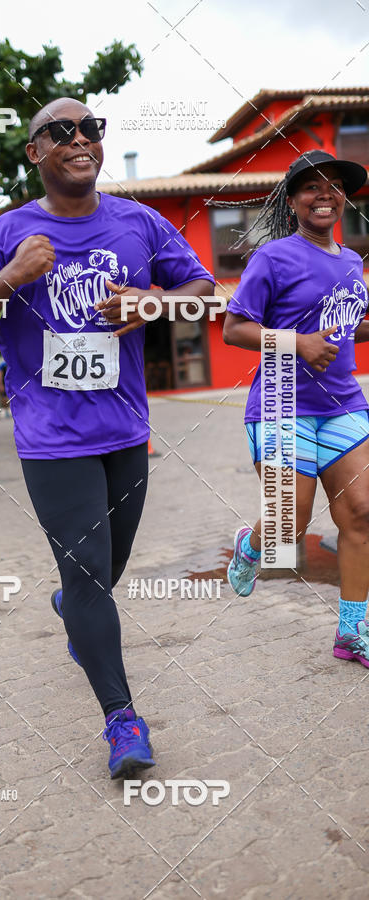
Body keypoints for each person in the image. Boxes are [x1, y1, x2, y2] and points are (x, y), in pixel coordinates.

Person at [0, 97, 215, 778]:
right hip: (50, 436)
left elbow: (205, 292)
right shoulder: (6, 234)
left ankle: (71, 607)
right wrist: (10, 279)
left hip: (124, 428)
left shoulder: (139, 223)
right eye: (60, 132)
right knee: (91, 571)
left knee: (105, 568)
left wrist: (154, 301)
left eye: (91, 128)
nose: (81, 139)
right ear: (34, 152)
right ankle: (123, 721)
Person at [222, 149, 369, 665]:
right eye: (311, 186)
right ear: (293, 201)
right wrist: (298, 343)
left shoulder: (351, 262)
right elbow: (234, 328)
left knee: (361, 513)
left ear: (344, 198)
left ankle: (353, 633)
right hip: (282, 401)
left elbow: (348, 323)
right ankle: (251, 544)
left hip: (343, 403)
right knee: (290, 523)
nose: (323, 193)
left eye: (333, 185)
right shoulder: (272, 257)